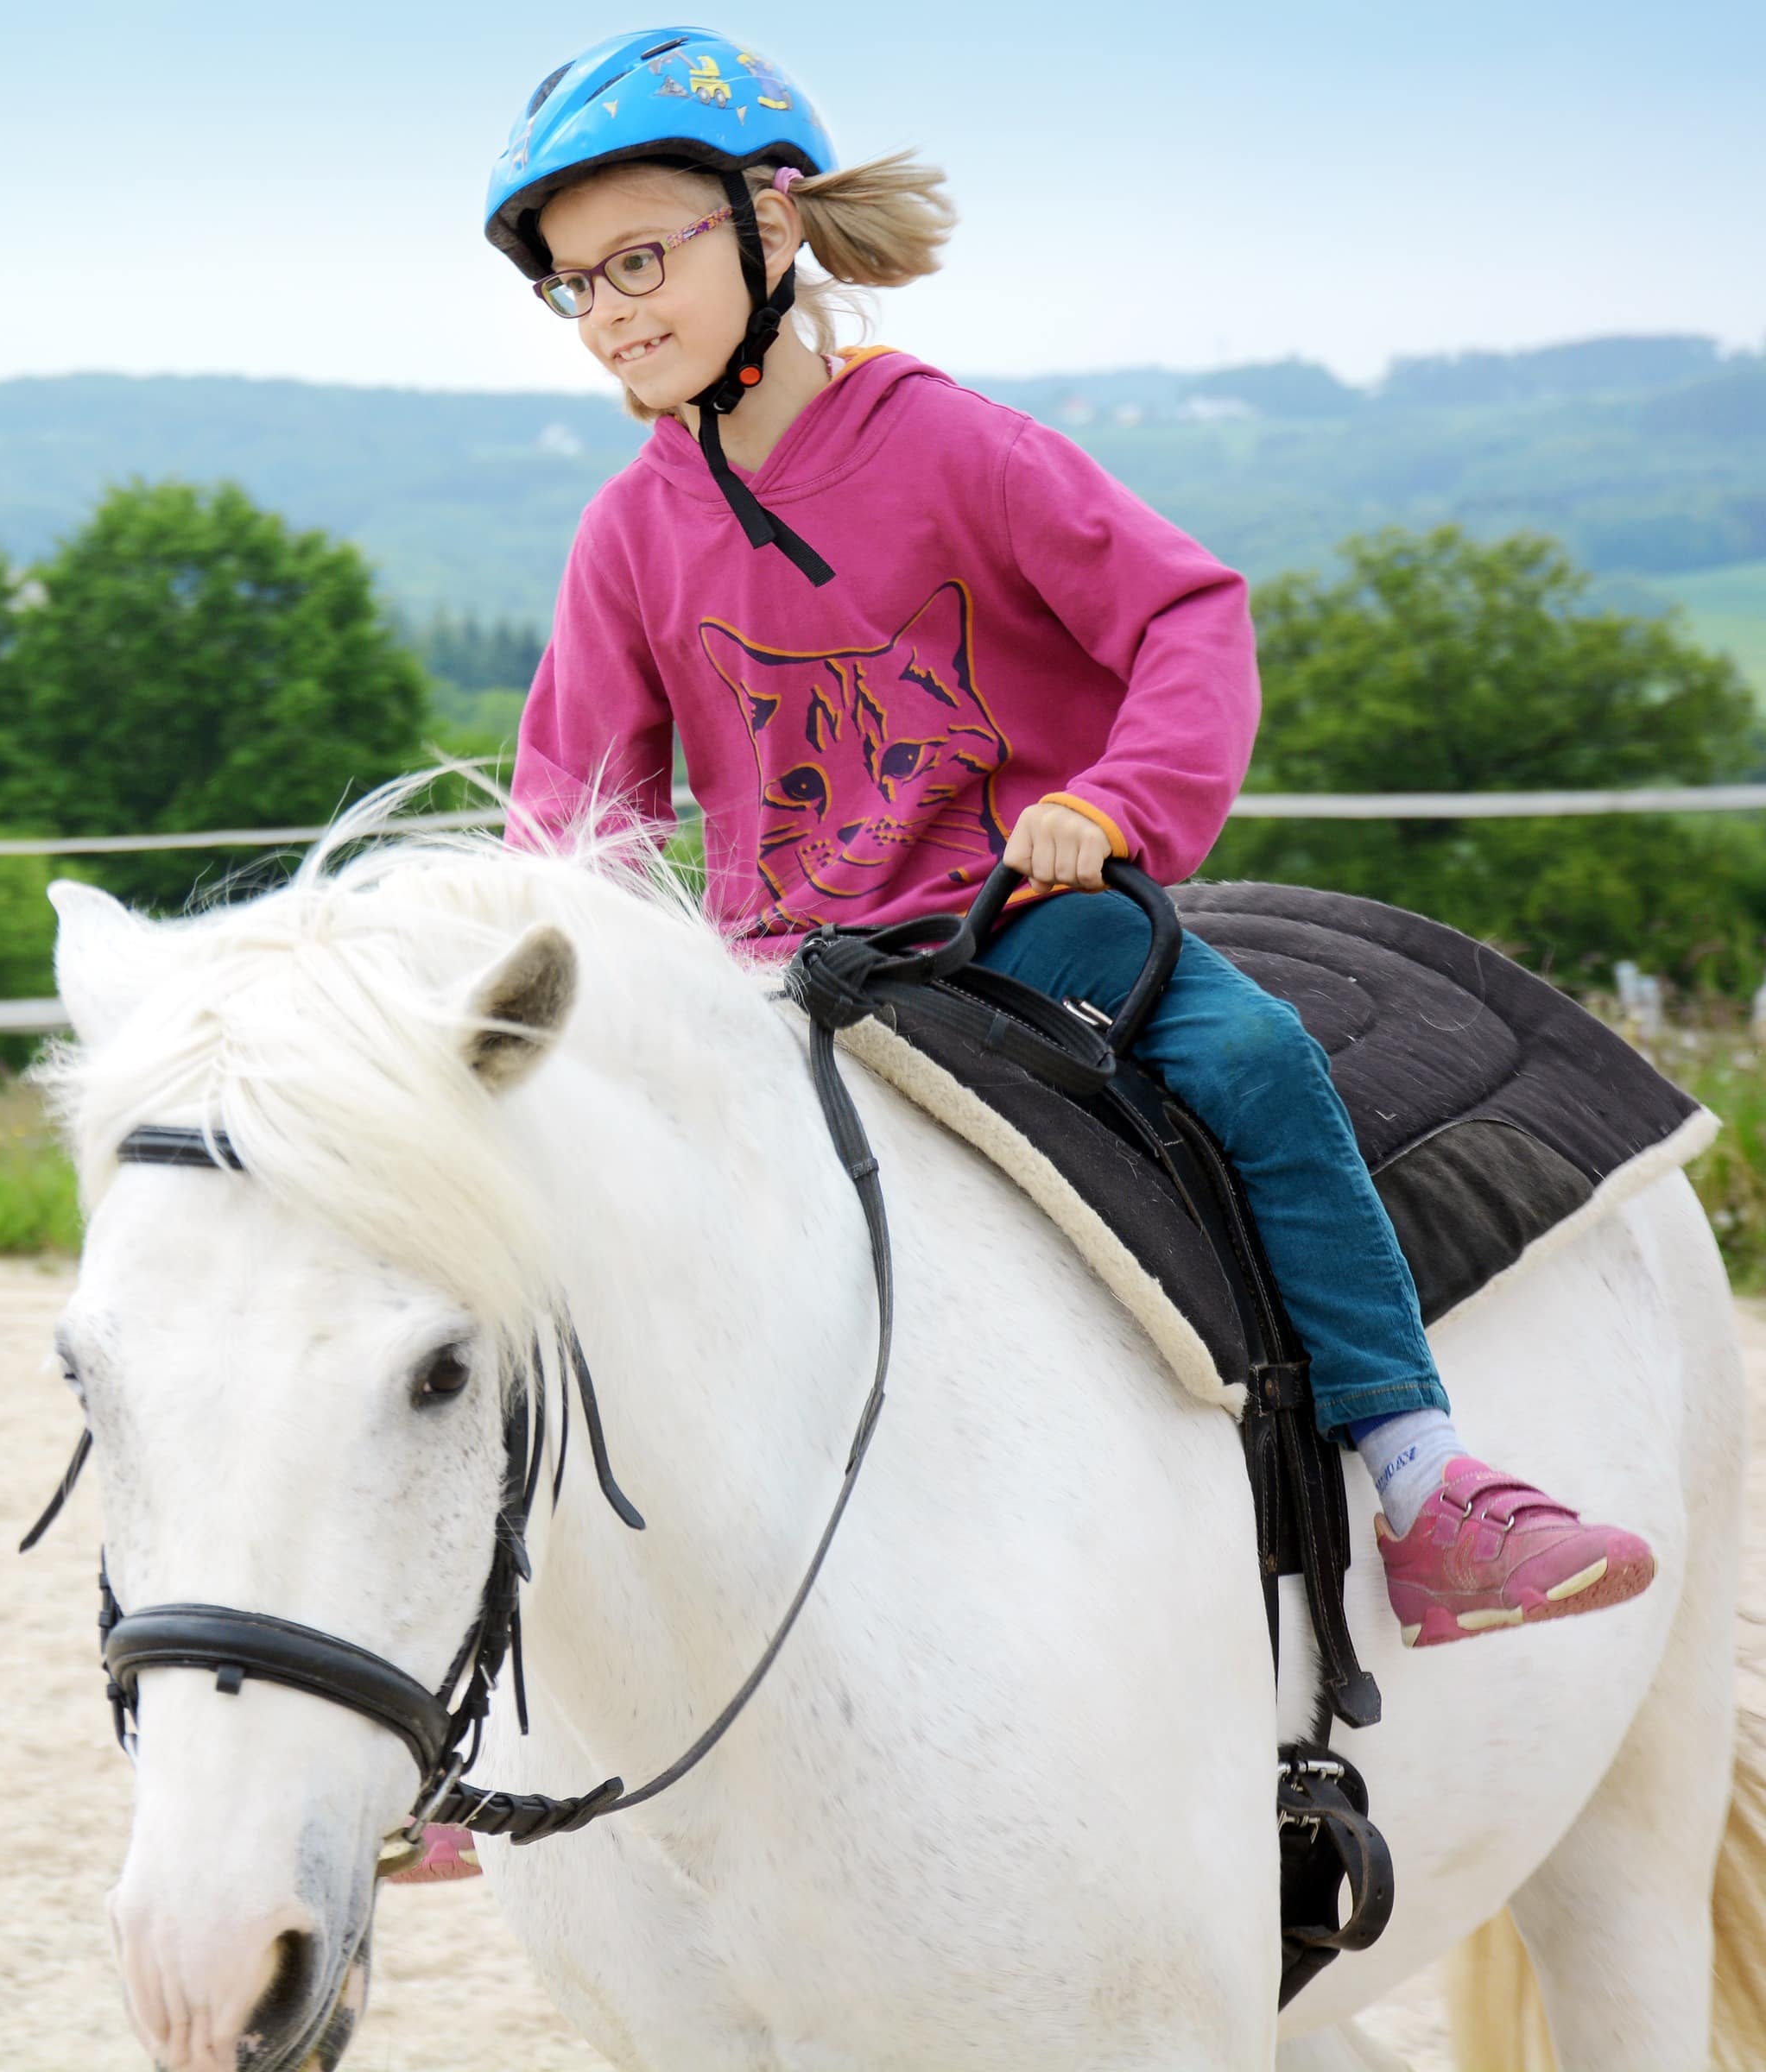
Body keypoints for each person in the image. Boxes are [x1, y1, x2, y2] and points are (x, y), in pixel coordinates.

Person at [395, 21, 1657, 1889]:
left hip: (1018, 918)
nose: (608, 314)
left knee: (1243, 1062)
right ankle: (463, 1713)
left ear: (772, 217)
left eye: (639, 260)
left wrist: (1125, 803)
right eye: (576, 288)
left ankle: (1422, 1481)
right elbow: (565, 813)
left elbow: (1190, 622)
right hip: (784, 973)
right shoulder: (628, 535)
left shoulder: (958, 450)